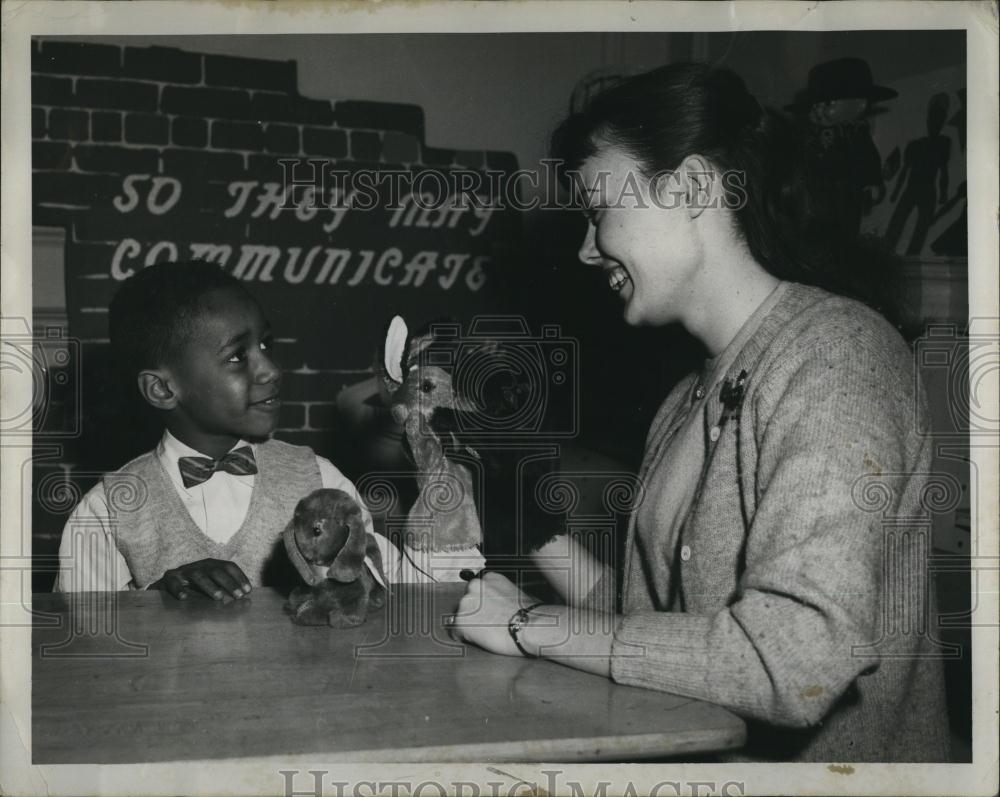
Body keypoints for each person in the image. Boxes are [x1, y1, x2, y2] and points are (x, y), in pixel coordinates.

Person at [447, 63, 951, 762]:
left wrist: (532, 623)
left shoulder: (837, 356)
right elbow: (655, 636)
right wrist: (526, 527)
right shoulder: (684, 400)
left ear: (690, 188)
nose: (586, 248)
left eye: (598, 211)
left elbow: (795, 661)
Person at [54, 261, 478, 597]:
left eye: (265, 346)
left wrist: (444, 498)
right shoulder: (104, 514)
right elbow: (82, 648)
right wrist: (154, 601)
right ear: (163, 388)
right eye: (238, 356)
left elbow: (403, 594)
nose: (271, 370)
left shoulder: (320, 481)